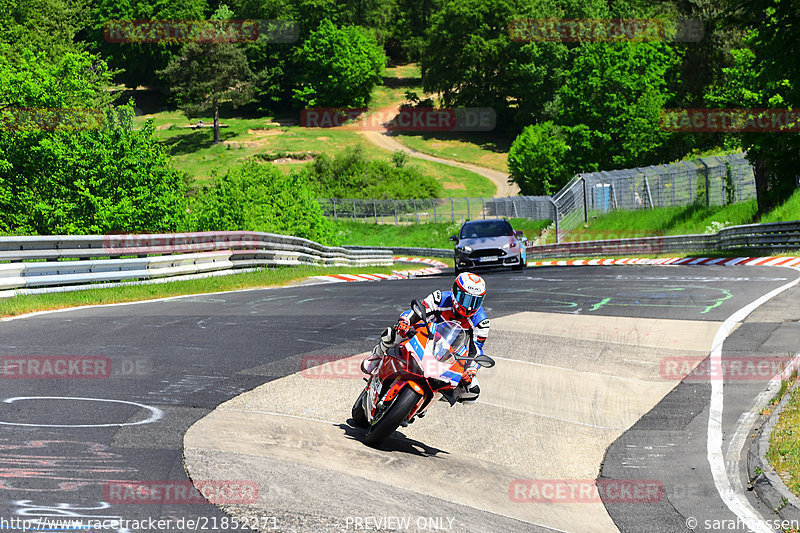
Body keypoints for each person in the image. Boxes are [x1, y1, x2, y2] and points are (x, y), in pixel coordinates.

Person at [361, 272, 490, 404]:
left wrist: (471, 370)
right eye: (466, 299)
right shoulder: (440, 298)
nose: (469, 306)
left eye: (475, 301)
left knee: (472, 391)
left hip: (450, 352)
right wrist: (405, 321)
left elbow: (477, 349)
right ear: (455, 291)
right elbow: (418, 310)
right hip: (424, 333)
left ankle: (432, 397)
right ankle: (377, 355)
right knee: (392, 333)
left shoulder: (481, 322)